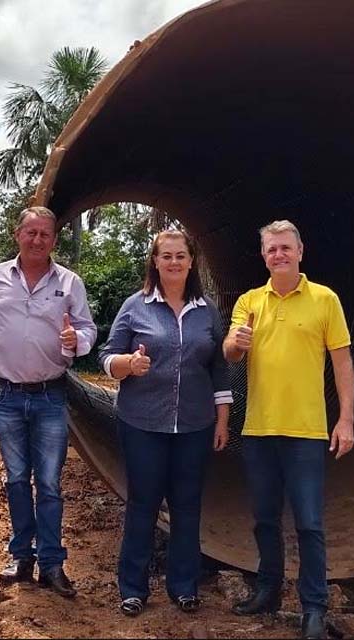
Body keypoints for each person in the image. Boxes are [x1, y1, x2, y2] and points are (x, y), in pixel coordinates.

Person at [223, 220, 354, 640]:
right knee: (264, 518)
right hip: (259, 429)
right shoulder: (249, 301)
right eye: (270, 249)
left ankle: (313, 607)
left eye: (285, 247)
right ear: (263, 256)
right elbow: (229, 352)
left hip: (306, 432)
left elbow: (342, 362)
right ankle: (268, 590)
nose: (278, 255)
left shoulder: (324, 300)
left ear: (301, 251)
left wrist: (347, 418)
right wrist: (236, 344)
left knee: (309, 523)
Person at [0, 206, 97, 599]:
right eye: (31, 232)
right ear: (17, 234)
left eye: (45, 235)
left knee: (50, 484)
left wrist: (78, 342)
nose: (38, 240)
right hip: (6, 396)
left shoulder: (69, 282)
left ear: (54, 240)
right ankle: (22, 558)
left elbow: (87, 328)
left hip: (51, 393)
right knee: (17, 480)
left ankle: (52, 564)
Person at [98, 229, 232, 617]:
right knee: (143, 504)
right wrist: (126, 365)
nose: (173, 262)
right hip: (142, 424)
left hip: (194, 425)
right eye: (166, 256)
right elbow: (106, 355)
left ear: (192, 262)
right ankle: (133, 588)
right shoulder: (136, 305)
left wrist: (221, 420)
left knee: (187, 506)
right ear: (154, 262)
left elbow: (219, 368)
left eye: (180, 256)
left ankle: (184, 586)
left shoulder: (206, 310)